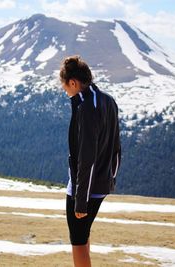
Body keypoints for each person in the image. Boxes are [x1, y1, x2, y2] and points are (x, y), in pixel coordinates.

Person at [59, 55, 121, 267]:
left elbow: (87, 158)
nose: (65, 91)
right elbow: (116, 147)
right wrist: (110, 178)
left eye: (65, 86)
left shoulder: (86, 107)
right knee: (83, 236)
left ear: (73, 83)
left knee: (77, 240)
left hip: (84, 187)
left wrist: (81, 199)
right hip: (101, 183)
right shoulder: (109, 101)